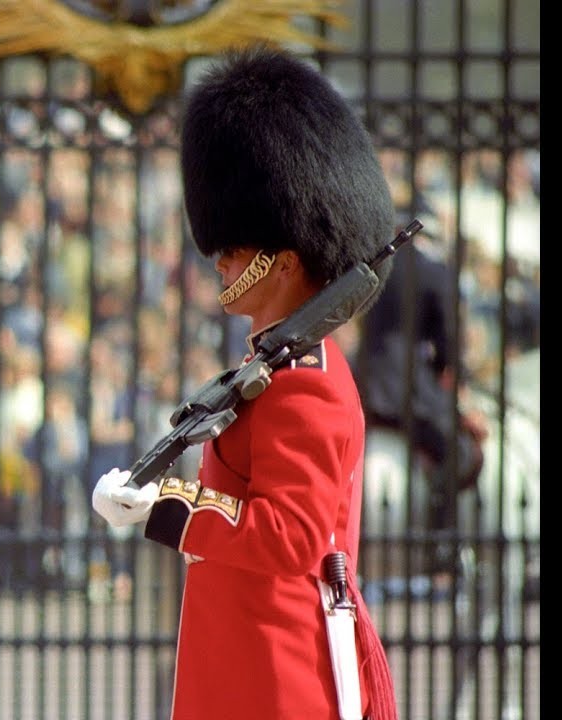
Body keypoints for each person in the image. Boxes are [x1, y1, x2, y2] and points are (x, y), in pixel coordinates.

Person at [91, 47, 399, 720]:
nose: (219, 260)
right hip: (242, 662)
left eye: (233, 249)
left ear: (282, 260)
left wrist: (165, 507)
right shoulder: (276, 366)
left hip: (278, 673)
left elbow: (288, 537)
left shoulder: (306, 385)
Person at [354, 208, 489, 595]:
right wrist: (450, 374)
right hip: (404, 392)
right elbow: (447, 344)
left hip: (364, 384)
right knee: (456, 451)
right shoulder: (433, 271)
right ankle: (439, 548)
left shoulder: (376, 267)